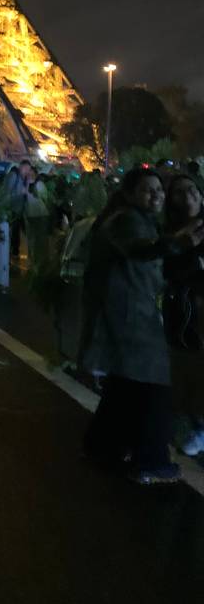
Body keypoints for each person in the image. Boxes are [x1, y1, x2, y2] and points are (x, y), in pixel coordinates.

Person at [79, 168, 204, 484]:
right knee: (154, 388)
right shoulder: (127, 220)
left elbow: (151, 265)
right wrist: (178, 244)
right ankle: (151, 461)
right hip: (132, 318)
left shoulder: (138, 220)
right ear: (130, 193)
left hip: (132, 315)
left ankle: (103, 446)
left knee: (126, 386)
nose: (157, 195)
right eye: (148, 190)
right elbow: (142, 249)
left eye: (160, 190)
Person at [163, 174, 204, 454]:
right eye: (179, 192)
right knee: (186, 367)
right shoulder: (168, 235)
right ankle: (193, 423)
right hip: (183, 313)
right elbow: (162, 270)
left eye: (192, 189)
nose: (187, 195)